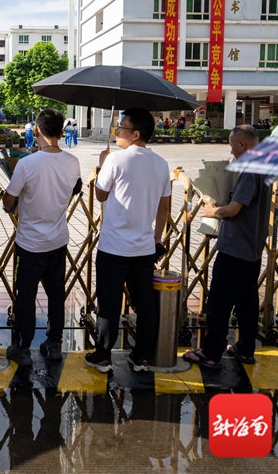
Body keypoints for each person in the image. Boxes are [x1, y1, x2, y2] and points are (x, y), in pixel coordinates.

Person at [84, 108, 171, 373]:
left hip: (114, 246)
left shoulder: (116, 160)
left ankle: (103, 356)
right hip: (144, 248)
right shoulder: (161, 164)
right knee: (145, 303)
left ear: (135, 134)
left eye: (121, 127)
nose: (117, 131)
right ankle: (141, 356)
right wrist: (157, 238)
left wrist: (101, 165)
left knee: (110, 303)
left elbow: (100, 195)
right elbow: (164, 206)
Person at [184, 126, 271, 369]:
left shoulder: (249, 169)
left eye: (232, 146)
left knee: (219, 303)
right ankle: (245, 349)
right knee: (247, 302)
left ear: (243, 144)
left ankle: (211, 353)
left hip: (235, 248)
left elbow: (234, 209)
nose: (231, 152)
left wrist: (214, 211)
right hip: (253, 248)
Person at [3, 109, 81, 367]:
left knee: (26, 295)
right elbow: (74, 188)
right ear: (61, 133)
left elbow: (9, 201)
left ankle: (23, 347)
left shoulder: (27, 164)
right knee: (56, 293)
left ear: (36, 131)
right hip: (58, 240)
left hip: (29, 243)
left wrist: (9, 200)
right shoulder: (73, 162)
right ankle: (54, 343)